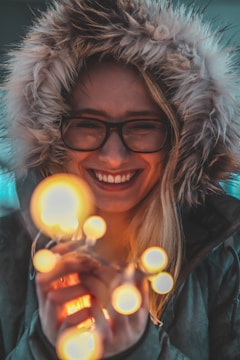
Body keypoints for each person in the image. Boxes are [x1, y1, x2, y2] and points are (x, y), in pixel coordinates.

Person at [0, 0, 240, 359]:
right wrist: (43, 345)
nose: (113, 155)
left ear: (180, 140)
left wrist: (140, 348)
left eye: (143, 126)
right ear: (51, 135)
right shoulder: (6, 255)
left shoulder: (227, 255)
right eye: (88, 124)